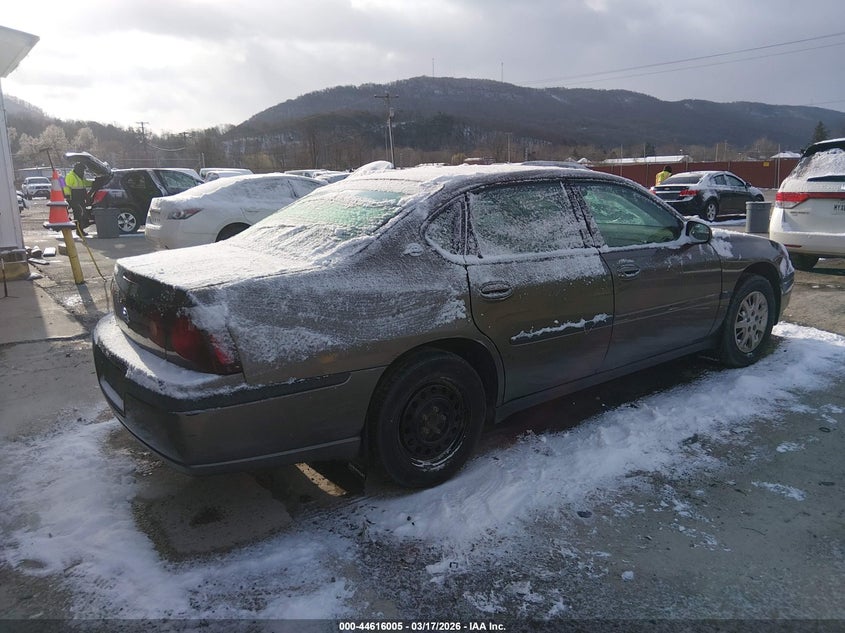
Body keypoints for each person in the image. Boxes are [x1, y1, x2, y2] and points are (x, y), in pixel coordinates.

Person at [63, 162, 93, 236]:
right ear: (78, 169)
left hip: (81, 197)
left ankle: (80, 229)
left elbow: (85, 183)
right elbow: (66, 187)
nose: (83, 172)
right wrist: (68, 198)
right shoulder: (71, 176)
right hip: (74, 198)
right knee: (79, 213)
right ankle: (79, 230)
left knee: (81, 213)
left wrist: (94, 183)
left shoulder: (80, 176)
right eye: (82, 170)